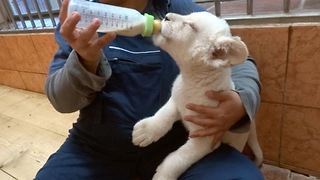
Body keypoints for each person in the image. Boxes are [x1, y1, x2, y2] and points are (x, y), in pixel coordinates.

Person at [35, 0, 264, 179]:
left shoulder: (180, 10)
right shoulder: (78, 20)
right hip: (96, 146)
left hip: (176, 140)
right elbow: (61, 100)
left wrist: (240, 100)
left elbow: (239, 61)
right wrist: (84, 60)